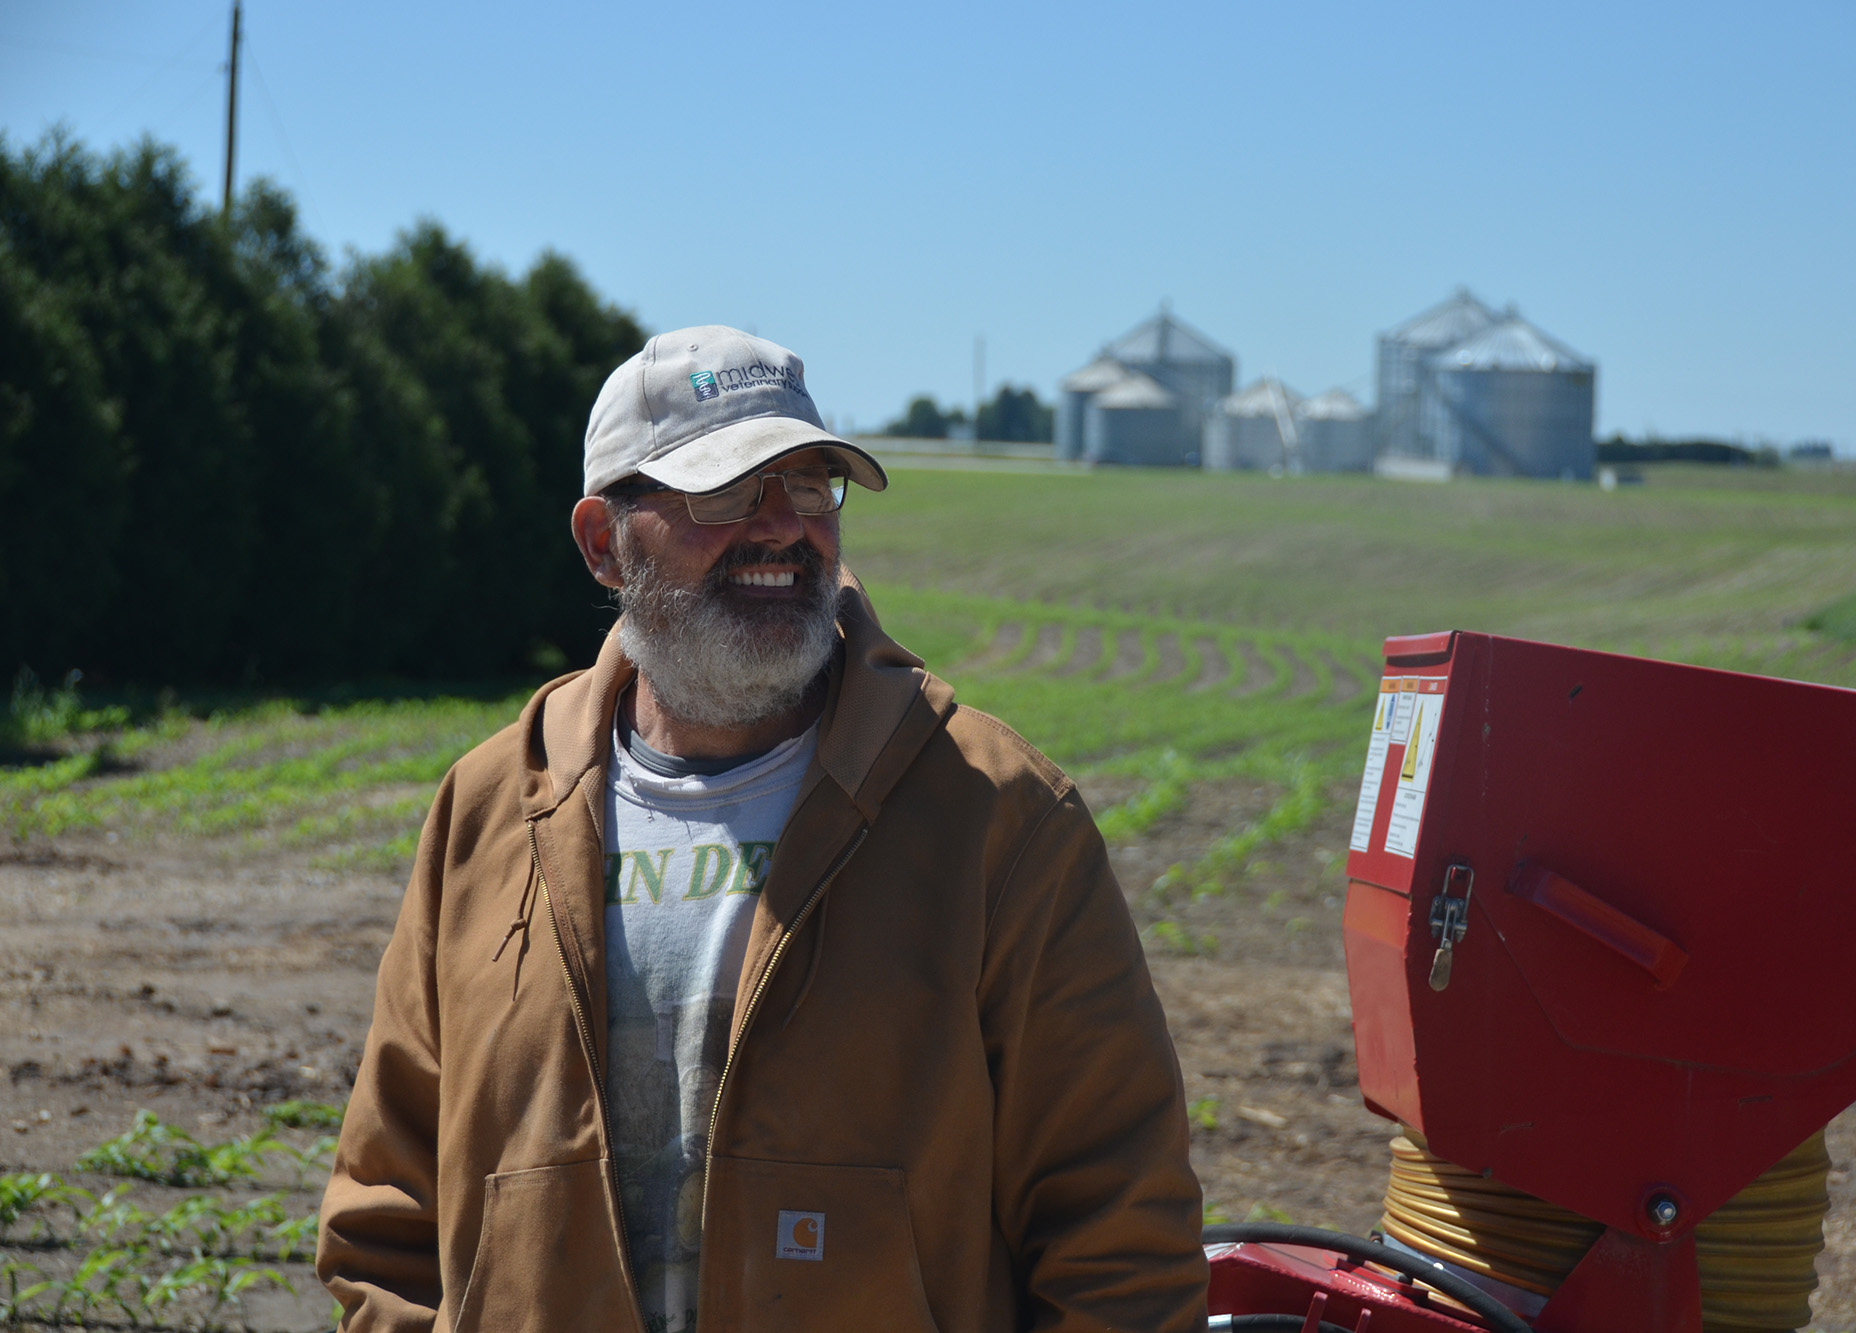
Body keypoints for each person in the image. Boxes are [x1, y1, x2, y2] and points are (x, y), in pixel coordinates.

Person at [316, 326, 1208, 1332]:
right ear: (602, 542)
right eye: (725, 491)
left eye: (809, 484)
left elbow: (1119, 1235)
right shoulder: (488, 813)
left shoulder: (994, 817)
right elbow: (388, 1217)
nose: (783, 526)